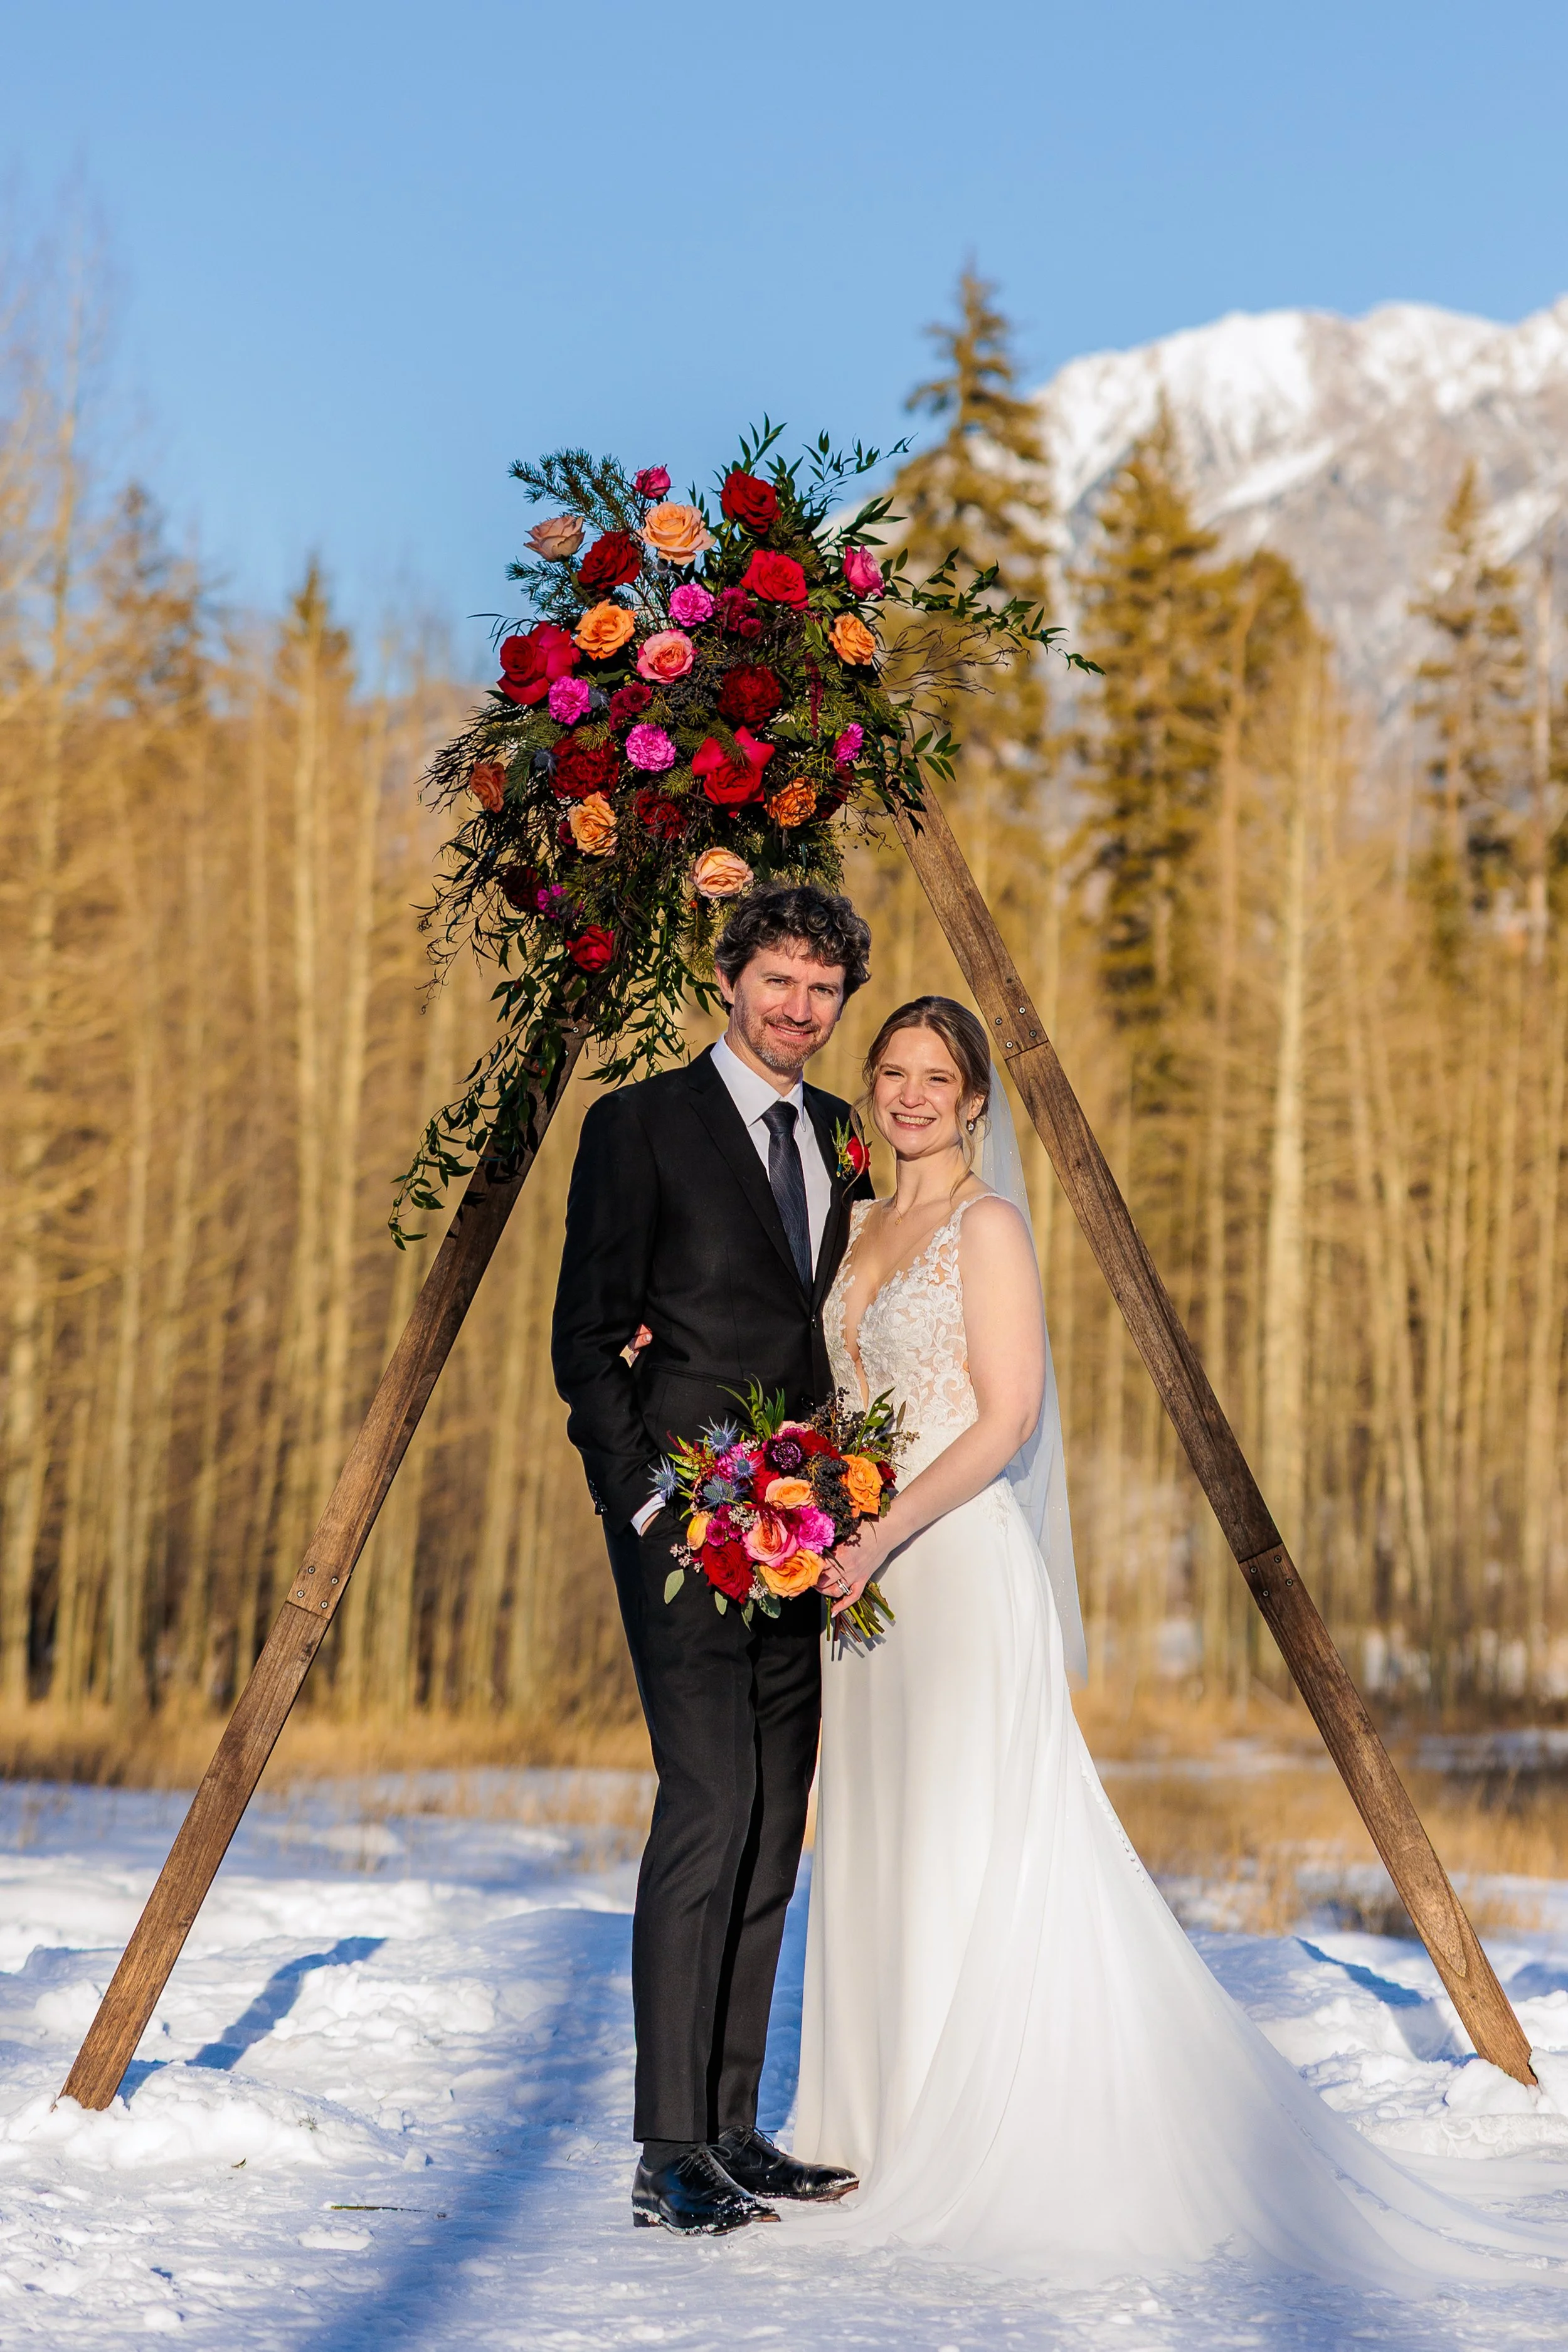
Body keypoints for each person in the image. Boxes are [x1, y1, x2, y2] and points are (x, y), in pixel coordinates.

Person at [793, 994, 1568, 2288]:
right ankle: (870, 2124)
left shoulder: (985, 1230)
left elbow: (1004, 1417)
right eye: (892, 1072)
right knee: (878, 1831)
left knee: (970, 1837)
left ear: (975, 1101)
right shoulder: (862, 1224)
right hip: (862, 1582)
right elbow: (841, 1390)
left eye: (937, 1077)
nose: (911, 1095)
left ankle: (975, 2126)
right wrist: (807, 1500)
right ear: (868, 1088)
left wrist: (881, 1532)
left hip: (952, 1562)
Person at [552, 882, 874, 2237]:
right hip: (684, 1528)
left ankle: (734, 2123)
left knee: (772, 1815)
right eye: (778, 981)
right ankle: (665, 2147)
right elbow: (586, 1341)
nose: (798, 1008)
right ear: (729, 978)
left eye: (822, 990)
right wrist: (645, 1505)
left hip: (805, 1532)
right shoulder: (638, 1125)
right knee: (706, 1804)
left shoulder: (843, 1139)